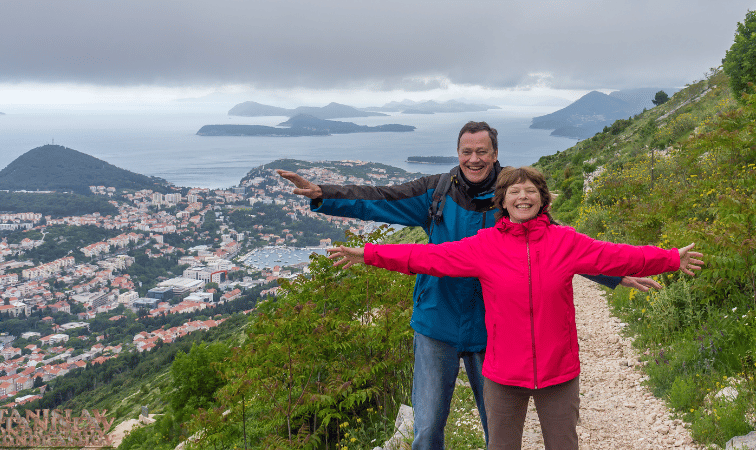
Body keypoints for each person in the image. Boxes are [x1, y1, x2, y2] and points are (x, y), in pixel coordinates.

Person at [277, 121, 661, 450]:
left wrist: (611, 273)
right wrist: (324, 195)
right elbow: (381, 198)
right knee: (427, 429)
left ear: (495, 154)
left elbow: (554, 244)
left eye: (482, 151)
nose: (474, 159)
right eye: (466, 151)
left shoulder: (513, 195)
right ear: (458, 153)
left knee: (497, 429)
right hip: (435, 322)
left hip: (491, 329)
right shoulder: (435, 192)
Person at [327, 165, 705, 450]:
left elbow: (616, 255)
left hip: (559, 372)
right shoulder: (484, 245)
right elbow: (427, 257)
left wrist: (670, 258)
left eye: (530, 191)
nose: (522, 197)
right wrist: (367, 254)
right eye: (514, 192)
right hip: (503, 374)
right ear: (503, 201)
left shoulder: (566, 242)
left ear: (543, 199)